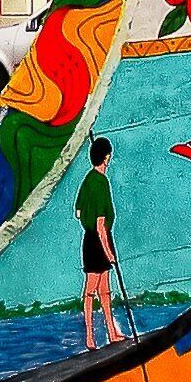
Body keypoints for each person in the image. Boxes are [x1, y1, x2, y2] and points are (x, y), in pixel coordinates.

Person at [77, 135, 121, 348]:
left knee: (104, 290)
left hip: (91, 239)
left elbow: (78, 211)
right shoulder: (100, 182)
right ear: (105, 157)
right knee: (91, 291)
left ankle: (112, 332)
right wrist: (109, 252)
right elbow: (101, 223)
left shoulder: (88, 179)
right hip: (98, 241)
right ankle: (90, 337)